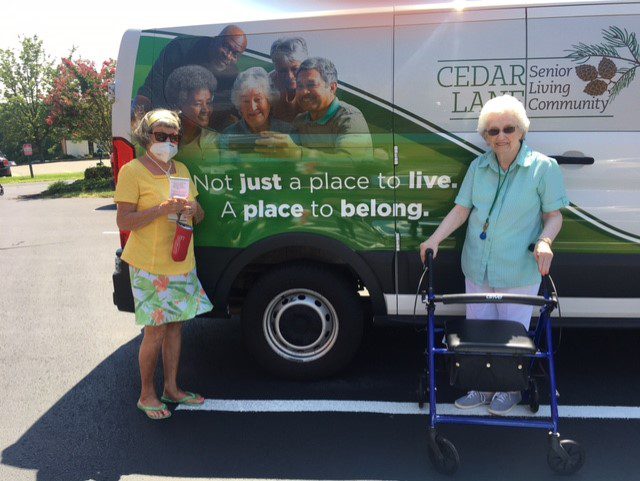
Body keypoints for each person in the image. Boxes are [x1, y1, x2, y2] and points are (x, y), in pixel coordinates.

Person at [419, 94, 569, 416]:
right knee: (478, 333)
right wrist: (434, 239)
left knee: (510, 336)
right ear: (485, 136)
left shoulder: (543, 168)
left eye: (508, 129)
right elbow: (461, 209)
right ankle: (481, 385)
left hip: (517, 269)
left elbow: (554, 215)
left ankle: (510, 389)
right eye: (493, 131)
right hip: (477, 266)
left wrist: (545, 241)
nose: (501, 137)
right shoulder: (479, 166)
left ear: (521, 131)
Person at [114, 109, 213, 420]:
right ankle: (147, 394)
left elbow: (199, 216)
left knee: (175, 327)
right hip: (149, 265)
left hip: (181, 260)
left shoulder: (181, 169)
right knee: (154, 330)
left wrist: (193, 207)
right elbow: (124, 219)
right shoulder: (132, 171)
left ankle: (172, 388)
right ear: (147, 137)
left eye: (174, 137)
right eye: (161, 135)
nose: (169, 142)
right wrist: (161, 209)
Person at [255, 57, 373, 161]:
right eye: (300, 86)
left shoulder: (349, 118)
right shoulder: (300, 121)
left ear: (332, 87)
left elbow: (349, 164)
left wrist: (297, 153)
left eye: (311, 85)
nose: (304, 92)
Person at [132, 25, 247, 131]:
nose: (228, 55)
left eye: (235, 54)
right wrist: (137, 124)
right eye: (226, 47)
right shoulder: (180, 49)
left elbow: (231, 115)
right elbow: (149, 90)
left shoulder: (232, 78)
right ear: (215, 39)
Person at [221, 67, 293, 151]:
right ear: (240, 106)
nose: (252, 107)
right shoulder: (229, 135)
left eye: (258, 99)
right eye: (246, 101)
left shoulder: (287, 132)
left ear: (269, 101)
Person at [164, 65, 219, 163]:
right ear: (179, 105)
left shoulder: (216, 139)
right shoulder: (161, 139)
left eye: (208, 102)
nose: (205, 109)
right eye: (198, 104)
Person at [268, 37, 309, 122]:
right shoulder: (266, 84)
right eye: (282, 71)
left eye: (295, 69)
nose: (289, 76)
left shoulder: (316, 81)